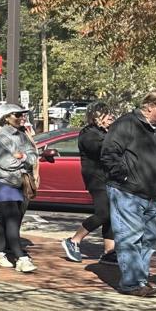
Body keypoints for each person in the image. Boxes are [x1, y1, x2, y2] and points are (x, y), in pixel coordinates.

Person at [99, 89, 156, 297]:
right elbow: (108, 154)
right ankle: (131, 283)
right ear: (149, 106)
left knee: (150, 239)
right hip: (128, 192)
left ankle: (140, 279)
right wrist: (125, 177)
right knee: (130, 238)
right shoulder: (127, 124)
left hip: (152, 195)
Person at [62, 101, 119, 264]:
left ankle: (109, 251)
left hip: (109, 178)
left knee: (111, 214)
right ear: (96, 116)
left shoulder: (106, 132)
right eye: (107, 114)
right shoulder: (89, 133)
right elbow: (104, 149)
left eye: (111, 114)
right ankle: (74, 240)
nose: (111, 117)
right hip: (96, 179)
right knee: (103, 213)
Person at [0, 104, 37, 273]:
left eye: (23, 115)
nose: (22, 118)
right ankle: (20, 257)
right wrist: (23, 158)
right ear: (6, 117)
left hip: (18, 181)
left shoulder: (22, 135)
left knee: (4, 219)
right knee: (13, 217)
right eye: (17, 115)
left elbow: (33, 156)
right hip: (1, 182)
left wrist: (21, 156)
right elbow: (7, 163)